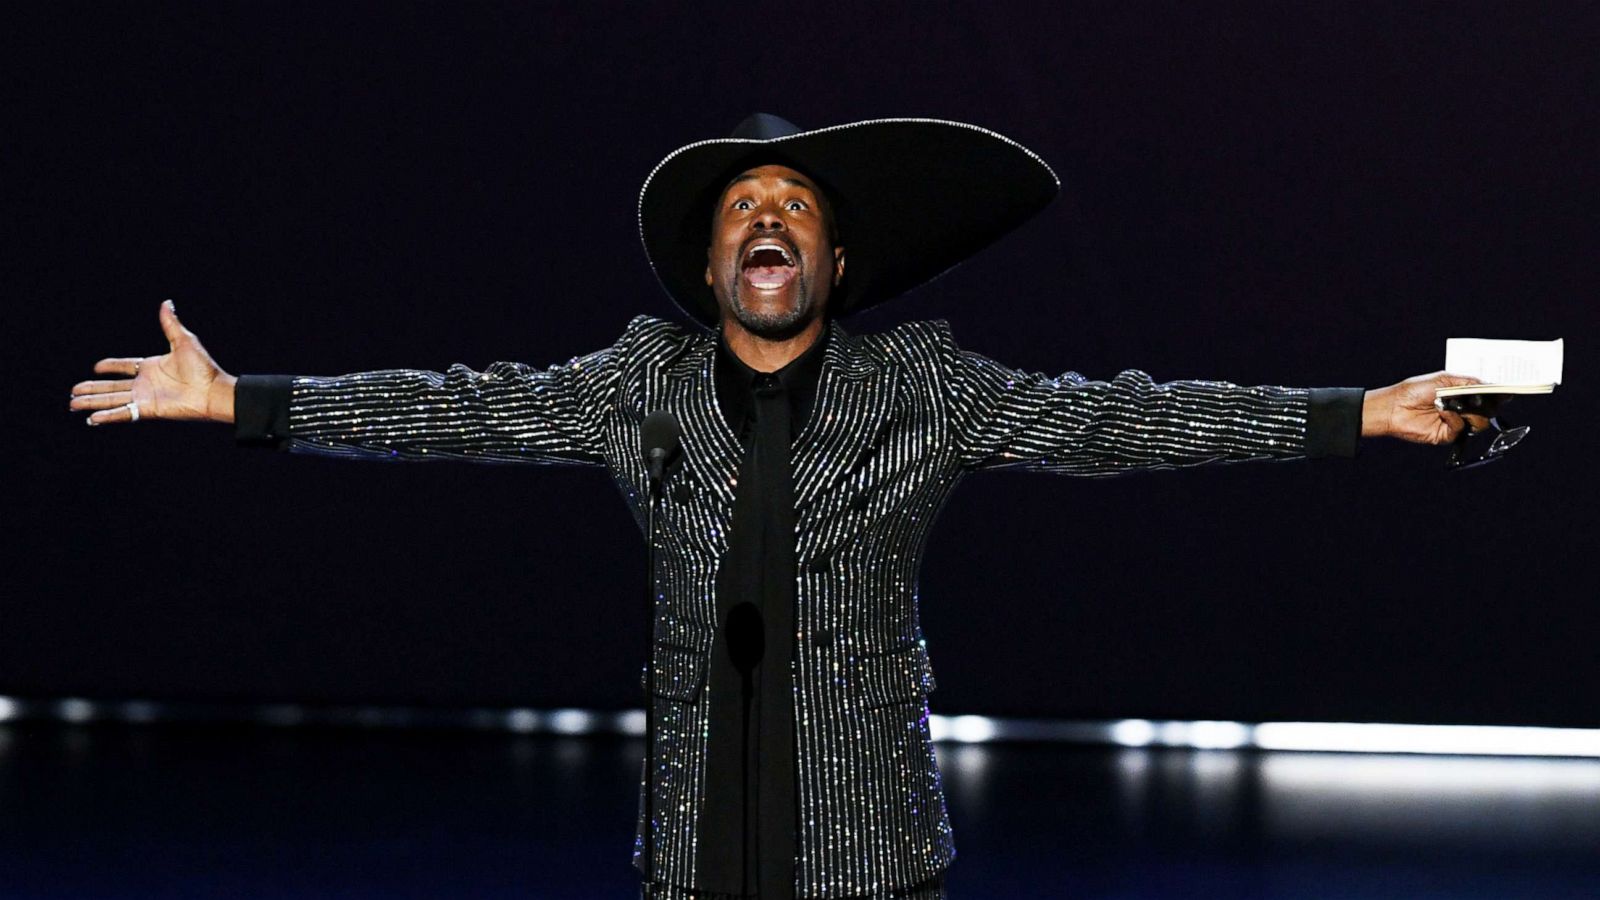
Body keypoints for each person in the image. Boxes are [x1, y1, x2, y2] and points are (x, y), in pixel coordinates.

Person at [69, 114, 1483, 899]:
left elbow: (1122, 419)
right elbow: (456, 405)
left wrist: (1356, 411)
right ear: (711, 264)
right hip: (692, 860)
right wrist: (240, 399)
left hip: (867, 860)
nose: (766, 219)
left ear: (833, 259)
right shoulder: (637, 384)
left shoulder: (925, 390)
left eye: (795, 206)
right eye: (744, 202)